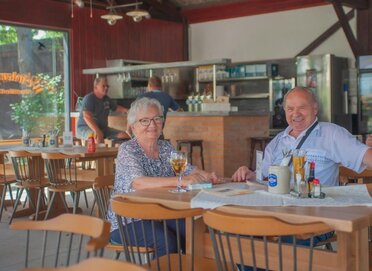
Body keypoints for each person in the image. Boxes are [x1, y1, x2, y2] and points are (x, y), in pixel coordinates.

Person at [107, 97, 218, 257]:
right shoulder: (127, 149)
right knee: (166, 241)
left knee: (193, 231)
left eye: (157, 119)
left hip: (160, 213)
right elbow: (139, 183)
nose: (152, 125)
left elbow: (186, 169)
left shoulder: (165, 147)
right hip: (128, 219)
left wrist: (206, 175)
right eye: (145, 120)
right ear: (133, 126)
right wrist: (181, 181)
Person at [233, 86, 372, 187]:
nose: (296, 114)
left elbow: (366, 157)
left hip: (316, 216)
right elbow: (261, 176)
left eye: (302, 107)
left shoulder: (331, 134)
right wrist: (248, 174)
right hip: (278, 212)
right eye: (290, 109)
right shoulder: (277, 141)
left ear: (315, 109)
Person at [76, 75, 129, 143]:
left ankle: (114, 150)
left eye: (107, 86)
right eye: (103, 86)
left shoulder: (106, 99)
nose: (106, 88)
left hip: (103, 129)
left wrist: (128, 111)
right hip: (85, 128)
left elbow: (116, 108)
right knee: (96, 137)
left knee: (125, 135)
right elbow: (87, 116)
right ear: (95, 87)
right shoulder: (89, 98)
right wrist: (97, 131)